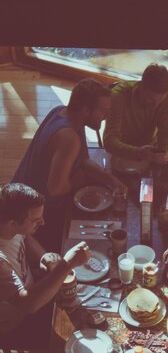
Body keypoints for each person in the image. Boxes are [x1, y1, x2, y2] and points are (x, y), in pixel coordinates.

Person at [12, 78, 126, 251]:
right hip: (32, 215)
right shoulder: (69, 137)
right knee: (94, 244)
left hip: (18, 195)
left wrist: (112, 181)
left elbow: (84, 161)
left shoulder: (62, 112)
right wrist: (78, 180)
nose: (107, 115)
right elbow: (55, 189)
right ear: (86, 110)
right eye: (103, 110)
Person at [0, 183, 89, 346]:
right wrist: (67, 263)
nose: (42, 222)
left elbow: (25, 237)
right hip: (18, 322)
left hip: (32, 289)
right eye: (35, 220)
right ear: (13, 223)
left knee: (86, 295)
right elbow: (29, 305)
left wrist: (44, 256)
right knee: (81, 333)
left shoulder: (7, 223)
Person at [103, 63, 168, 172]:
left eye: (160, 101)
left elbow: (166, 134)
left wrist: (167, 153)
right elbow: (109, 141)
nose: (155, 105)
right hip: (121, 154)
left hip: (151, 151)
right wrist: (138, 153)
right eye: (151, 99)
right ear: (140, 86)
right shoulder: (118, 96)